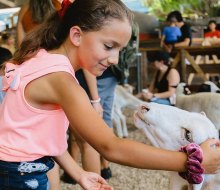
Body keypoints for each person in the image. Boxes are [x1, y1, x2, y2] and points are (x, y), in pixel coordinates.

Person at [1, 0, 220, 189]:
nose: (114, 58)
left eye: (119, 50)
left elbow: (40, 136)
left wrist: (78, 173)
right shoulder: (63, 82)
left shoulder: (41, 59)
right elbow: (111, 146)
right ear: (76, 35)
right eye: (108, 46)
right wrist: (189, 162)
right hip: (20, 175)